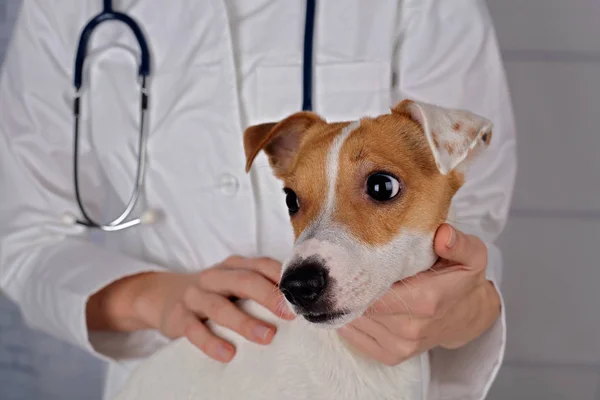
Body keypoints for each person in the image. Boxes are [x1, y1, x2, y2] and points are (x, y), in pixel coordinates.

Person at [0, 0, 516, 399]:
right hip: (175, 377)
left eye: (380, 187)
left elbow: (474, 217)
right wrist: (152, 297)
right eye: (295, 200)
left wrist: (464, 310)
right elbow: (25, 238)